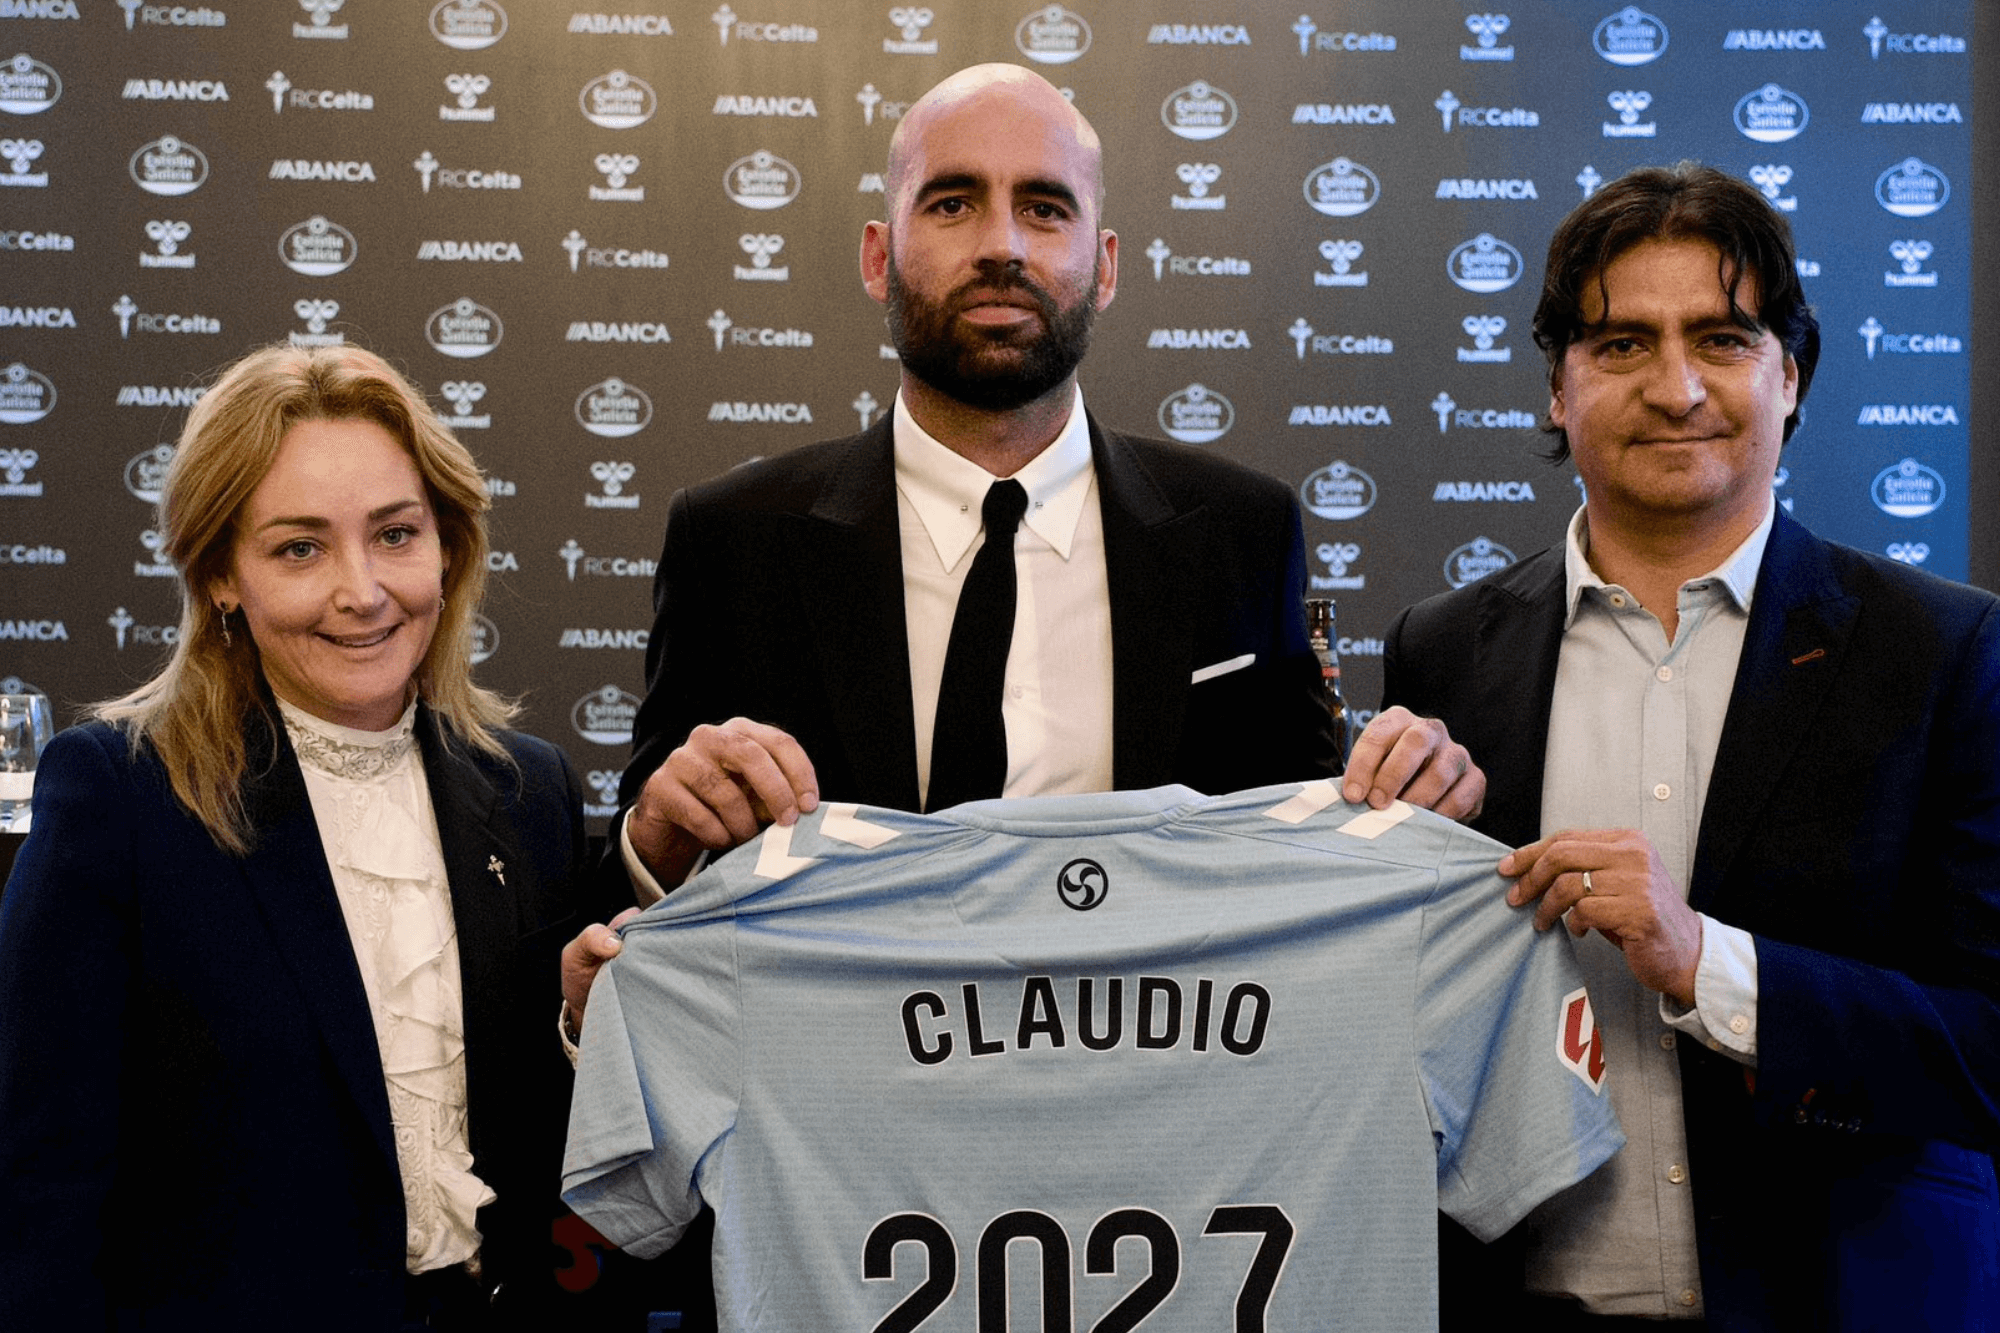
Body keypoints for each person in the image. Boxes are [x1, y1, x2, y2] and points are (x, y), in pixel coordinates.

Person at [564, 62, 1479, 985]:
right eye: (953, 203)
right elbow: (624, 906)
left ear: (1106, 264)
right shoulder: (735, 542)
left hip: (1163, 1101)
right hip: (841, 1112)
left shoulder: (1242, 531)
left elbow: (1309, 857)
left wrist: (1408, 805)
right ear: (879, 254)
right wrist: (656, 836)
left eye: (1044, 208)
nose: (1002, 244)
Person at [1383, 162, 2000, 1329]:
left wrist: (1708, 964)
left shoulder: (1944, 652)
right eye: (1620, 346)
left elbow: (1986, 1046)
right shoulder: (1442, 654)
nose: (1674, 388)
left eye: (1720, 340)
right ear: (1557, 390)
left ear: (1790, 376)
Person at [0, 344, 597, 1330]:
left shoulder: (529, 791)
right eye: (299, 548)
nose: (362, 591)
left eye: (395, 535)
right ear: (222, 573)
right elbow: (39, 1189)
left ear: (447, 544)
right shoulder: (119, 797)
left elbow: (559, 1155)